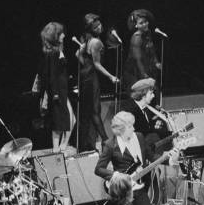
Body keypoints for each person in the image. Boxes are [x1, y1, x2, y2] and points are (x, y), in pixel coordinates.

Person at [95, 112, 177, 205]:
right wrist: (117, 174)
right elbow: (99, 169)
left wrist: (169, 159)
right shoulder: (110, 144)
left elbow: (151, 157)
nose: (133, 128)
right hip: (124, 190)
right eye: (130, 126)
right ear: (121, 129)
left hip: (138, 188)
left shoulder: (139, 137)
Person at [76, 13, 118, 151]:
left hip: (86, 76)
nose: (100, 27)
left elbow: (78, 55)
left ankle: (88, 143)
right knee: (95, 110)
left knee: (89, 111)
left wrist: (85, 64)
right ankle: (106, 141)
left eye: (100, 24)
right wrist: (111, 76)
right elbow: (97, 64)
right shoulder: (96, 42)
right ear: (91, 29)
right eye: (96, 26)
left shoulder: (89, 40)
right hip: (91, 77)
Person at [37, 22, 75, 153]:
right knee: (59, 123)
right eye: (61, 33)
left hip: (62, 91)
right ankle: (57, 149)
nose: (64, 35)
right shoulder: (53, 53)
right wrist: (55, 94)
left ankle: (61, 147)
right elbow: (51, 76)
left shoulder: (57, 50)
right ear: (55, 36)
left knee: (69, 120)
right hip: (58, 92)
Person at [123, 9, 161, 96]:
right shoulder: (136, 38)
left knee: (153, 93)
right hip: (136, 71)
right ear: (136, 25)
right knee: (144, 96)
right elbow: (137, 60)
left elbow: (152, 49)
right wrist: (144, 75)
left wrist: (156, 62)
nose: (144, 24)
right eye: (141, 23)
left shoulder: (148, 33)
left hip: (146, 67)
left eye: (145, 21)